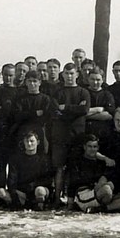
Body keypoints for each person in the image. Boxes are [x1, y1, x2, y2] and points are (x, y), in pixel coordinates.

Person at [51, 63, 90, 204]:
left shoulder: (83, 92)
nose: (69, 76)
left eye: (72, 73)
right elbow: (55, 111)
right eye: (67, 74)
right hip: (60, 135)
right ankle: (56, 199)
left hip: (78, 135)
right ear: (63, 75)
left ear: (77, 74)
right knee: (60, 168)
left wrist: (65, 108)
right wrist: (75, 110)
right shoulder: (58, 92)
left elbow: (84, 110)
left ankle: (71, 201)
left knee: (74, 169)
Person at [66, 134, 120, 213]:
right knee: (106, 189)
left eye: (94, 147)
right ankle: (107, 207)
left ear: (98, 148)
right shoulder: (78, 161)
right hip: (83, 194)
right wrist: (70, 204)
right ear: (84, 147)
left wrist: (106, 180)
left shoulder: (101, 162)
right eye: (89, 146)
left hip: (99, 192)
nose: (92, 149)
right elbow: (73, 183)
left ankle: (100, 209)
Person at [1, 130, 54, 210]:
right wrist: (14, 193)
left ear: (38, 142)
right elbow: (11, 179)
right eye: (27, 141)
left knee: (40, 191)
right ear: (24, 142)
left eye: (32, 141)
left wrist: (33, 186)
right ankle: (19, 203)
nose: (29, 144)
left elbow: (48, 180)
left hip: (37, 190)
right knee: (2, 192)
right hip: (21, 192)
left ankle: (39, 206)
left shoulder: (43, 159)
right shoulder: (16, 159)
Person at [84, 68, 115, 140]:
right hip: (86, 131)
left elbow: (109, 116)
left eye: (98, 80)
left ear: (102, 80)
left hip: (103, 132)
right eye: (92, 79)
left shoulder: (107, 95)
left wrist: (86, 114)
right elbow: (78, 112)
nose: (95, 82)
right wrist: (98, 110)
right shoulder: (82, 93)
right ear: (88, 79)